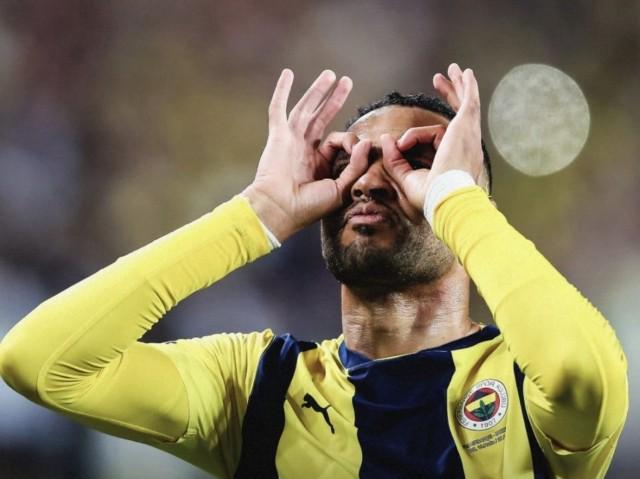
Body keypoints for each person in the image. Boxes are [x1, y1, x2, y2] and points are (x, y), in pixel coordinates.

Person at [0, 64, 628, 479]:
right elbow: (41, 362)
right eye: (347, 163)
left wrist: (456, 200)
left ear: (463, 198)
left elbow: (577, 372)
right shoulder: (257, 389)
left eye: (418, 163)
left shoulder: (525, 382)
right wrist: (256, 215)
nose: (370, 180)